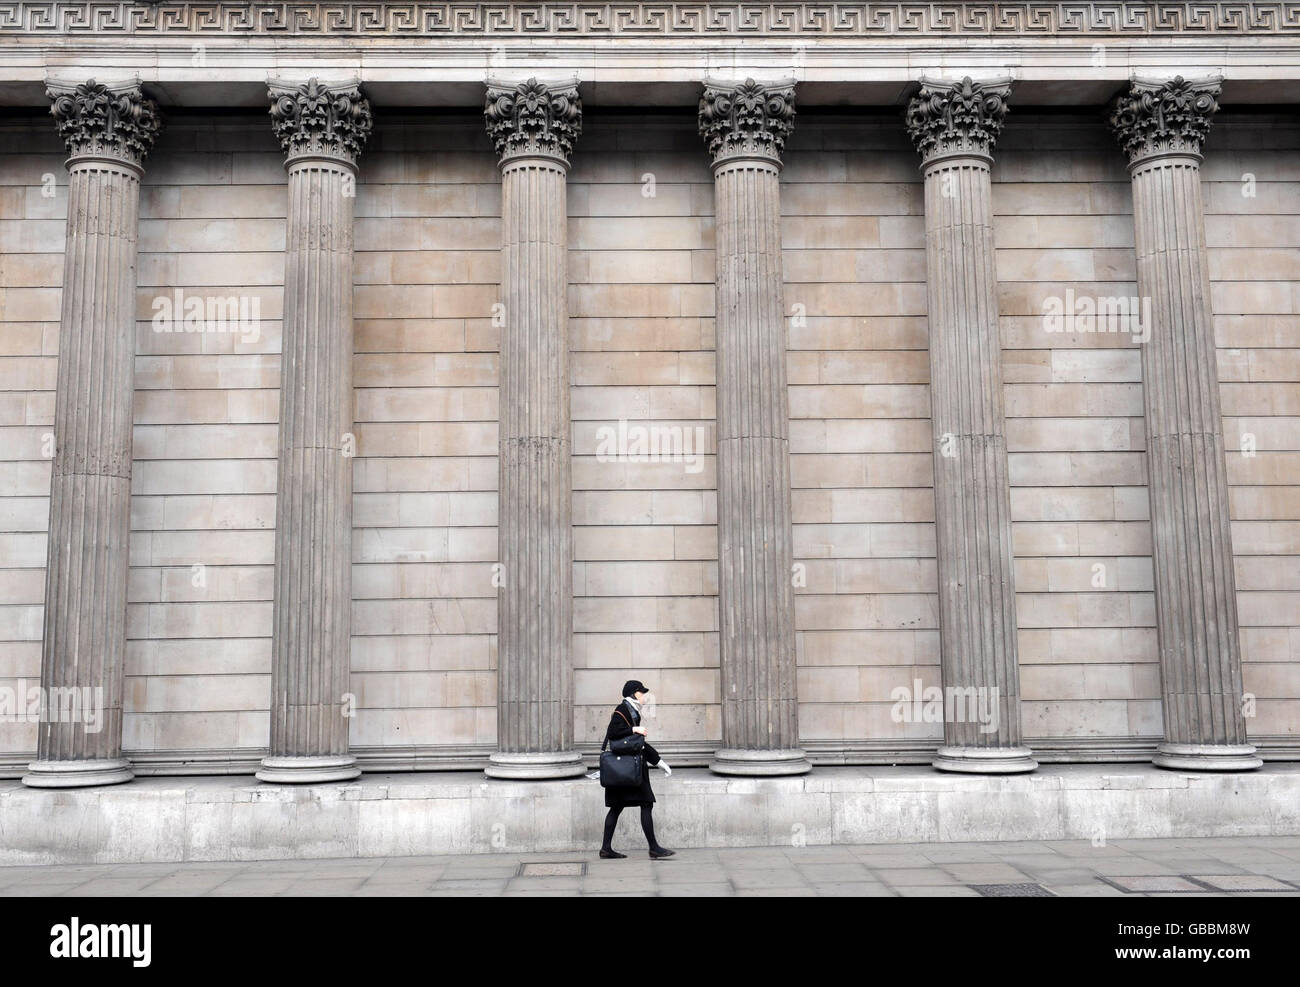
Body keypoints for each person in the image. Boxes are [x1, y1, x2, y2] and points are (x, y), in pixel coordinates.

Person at [599, 680, 675, 859]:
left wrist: (659, 761)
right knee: (643, 804)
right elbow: (613, 733)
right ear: (633, 694)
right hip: (629, 769)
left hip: (626, 769)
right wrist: (634, 729)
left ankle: (606, 849)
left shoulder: (631, 711)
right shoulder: (622, 710)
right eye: (641, 693)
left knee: (618, 807)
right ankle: (653, 848)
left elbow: (638, 743)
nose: (644, 697)